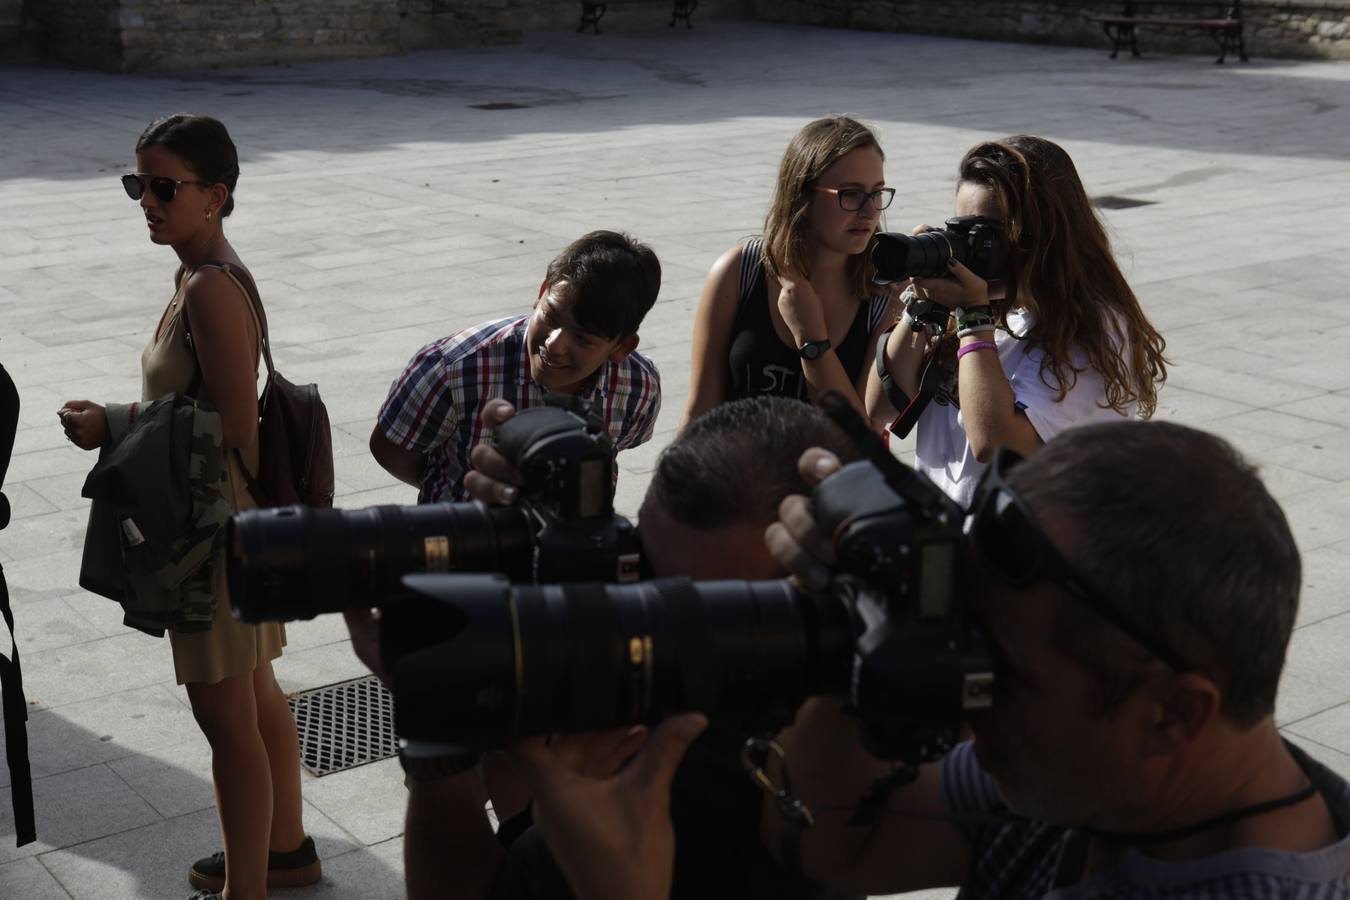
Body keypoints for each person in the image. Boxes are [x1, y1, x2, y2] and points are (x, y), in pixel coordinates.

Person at [512, 419, 1350, 899]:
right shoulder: (1107, 777)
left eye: (999, 674)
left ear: (1173, 710)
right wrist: (862, 610)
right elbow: (832, 847)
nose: (964, 705)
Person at [397, 396, 863, 900]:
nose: (642, 617)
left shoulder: (688, 786)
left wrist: (441, 733)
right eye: (639, 566)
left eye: (705, 614)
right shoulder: (837, 717)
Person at [58, 115, 316, 900]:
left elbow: (235, 427)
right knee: (257, 693)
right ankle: (285, 850)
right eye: (138, 184)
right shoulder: (198, 273)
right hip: (227, 525)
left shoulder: (210, 287)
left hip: (213, 536)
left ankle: (249, 891)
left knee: (226, 721)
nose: (146, 200)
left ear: (216, 195)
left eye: (164, 186)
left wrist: (115, 423)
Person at [365, 230, 662, 899]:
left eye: (583, 339)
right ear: (539, 293)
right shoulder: (454, 366)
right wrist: (453, 489)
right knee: (446, 763)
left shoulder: (637, 388)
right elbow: (395, 447)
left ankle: (525, 862)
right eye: (551, 318)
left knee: (527, 749)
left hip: (557, 595)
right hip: (456, 584)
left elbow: (626, 440)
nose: (555, 345)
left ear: (621, 348)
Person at [867, 135, 1168, 506]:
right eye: (962, 230)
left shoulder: (1095, 329)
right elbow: (879, 407)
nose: (970, 249)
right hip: (945, 540)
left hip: (1027, 552)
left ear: (1040, 236)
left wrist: (972, 319)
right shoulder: (986, 302)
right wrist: (922, 307)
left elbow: (996, 447)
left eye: (987, 235)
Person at [681, 116, 898, 429]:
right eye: (850, 193)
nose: (869, 211)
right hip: (734, 475)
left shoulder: (885, 296)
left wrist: (812, 341)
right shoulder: (738, 272)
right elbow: (699, 413)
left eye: (876, 192)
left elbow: (862, 439)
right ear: (802, 195)